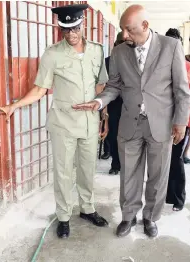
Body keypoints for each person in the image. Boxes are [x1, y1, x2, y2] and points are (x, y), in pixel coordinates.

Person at [0, 4, 109, 239]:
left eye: (75, 28)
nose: (71, 34)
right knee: (63, 172)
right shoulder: (53, 54)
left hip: (90, 122)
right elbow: (40, 89)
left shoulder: (97, 50)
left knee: (87, 169)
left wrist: (104, 114)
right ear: (60, 30)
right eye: (65, 30)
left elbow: (101, 84)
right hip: (63, 123)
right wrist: (13, 106)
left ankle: (87, 208)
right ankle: (63, 217)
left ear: (82, 25)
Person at [73, 5, 190, 238]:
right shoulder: (119, 53)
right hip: (130, 122)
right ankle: (128, 217)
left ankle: (150, 218)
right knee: (128, 175)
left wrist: (180, 123)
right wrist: (98, 102)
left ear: (145, 26)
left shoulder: (171, 46)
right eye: (122, 30)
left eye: (129, 29)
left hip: (162, 123)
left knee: (157, 176)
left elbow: (181, 89)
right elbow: (114, 86)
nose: (124, 35)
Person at [165, 28, 190, 211]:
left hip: (184, 121)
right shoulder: (172, 64)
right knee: (166, 159)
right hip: (166, 118)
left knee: (176, 158)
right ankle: (168, 195)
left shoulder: (184, 65)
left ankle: (178, 199)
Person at [104, 32, 124, 175]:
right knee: (114, 134)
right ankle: (115, 163)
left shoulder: (137, 60)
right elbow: (103, 84)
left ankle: (127, 164)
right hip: (113, 103)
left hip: (131, 104)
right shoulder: (107, 62)